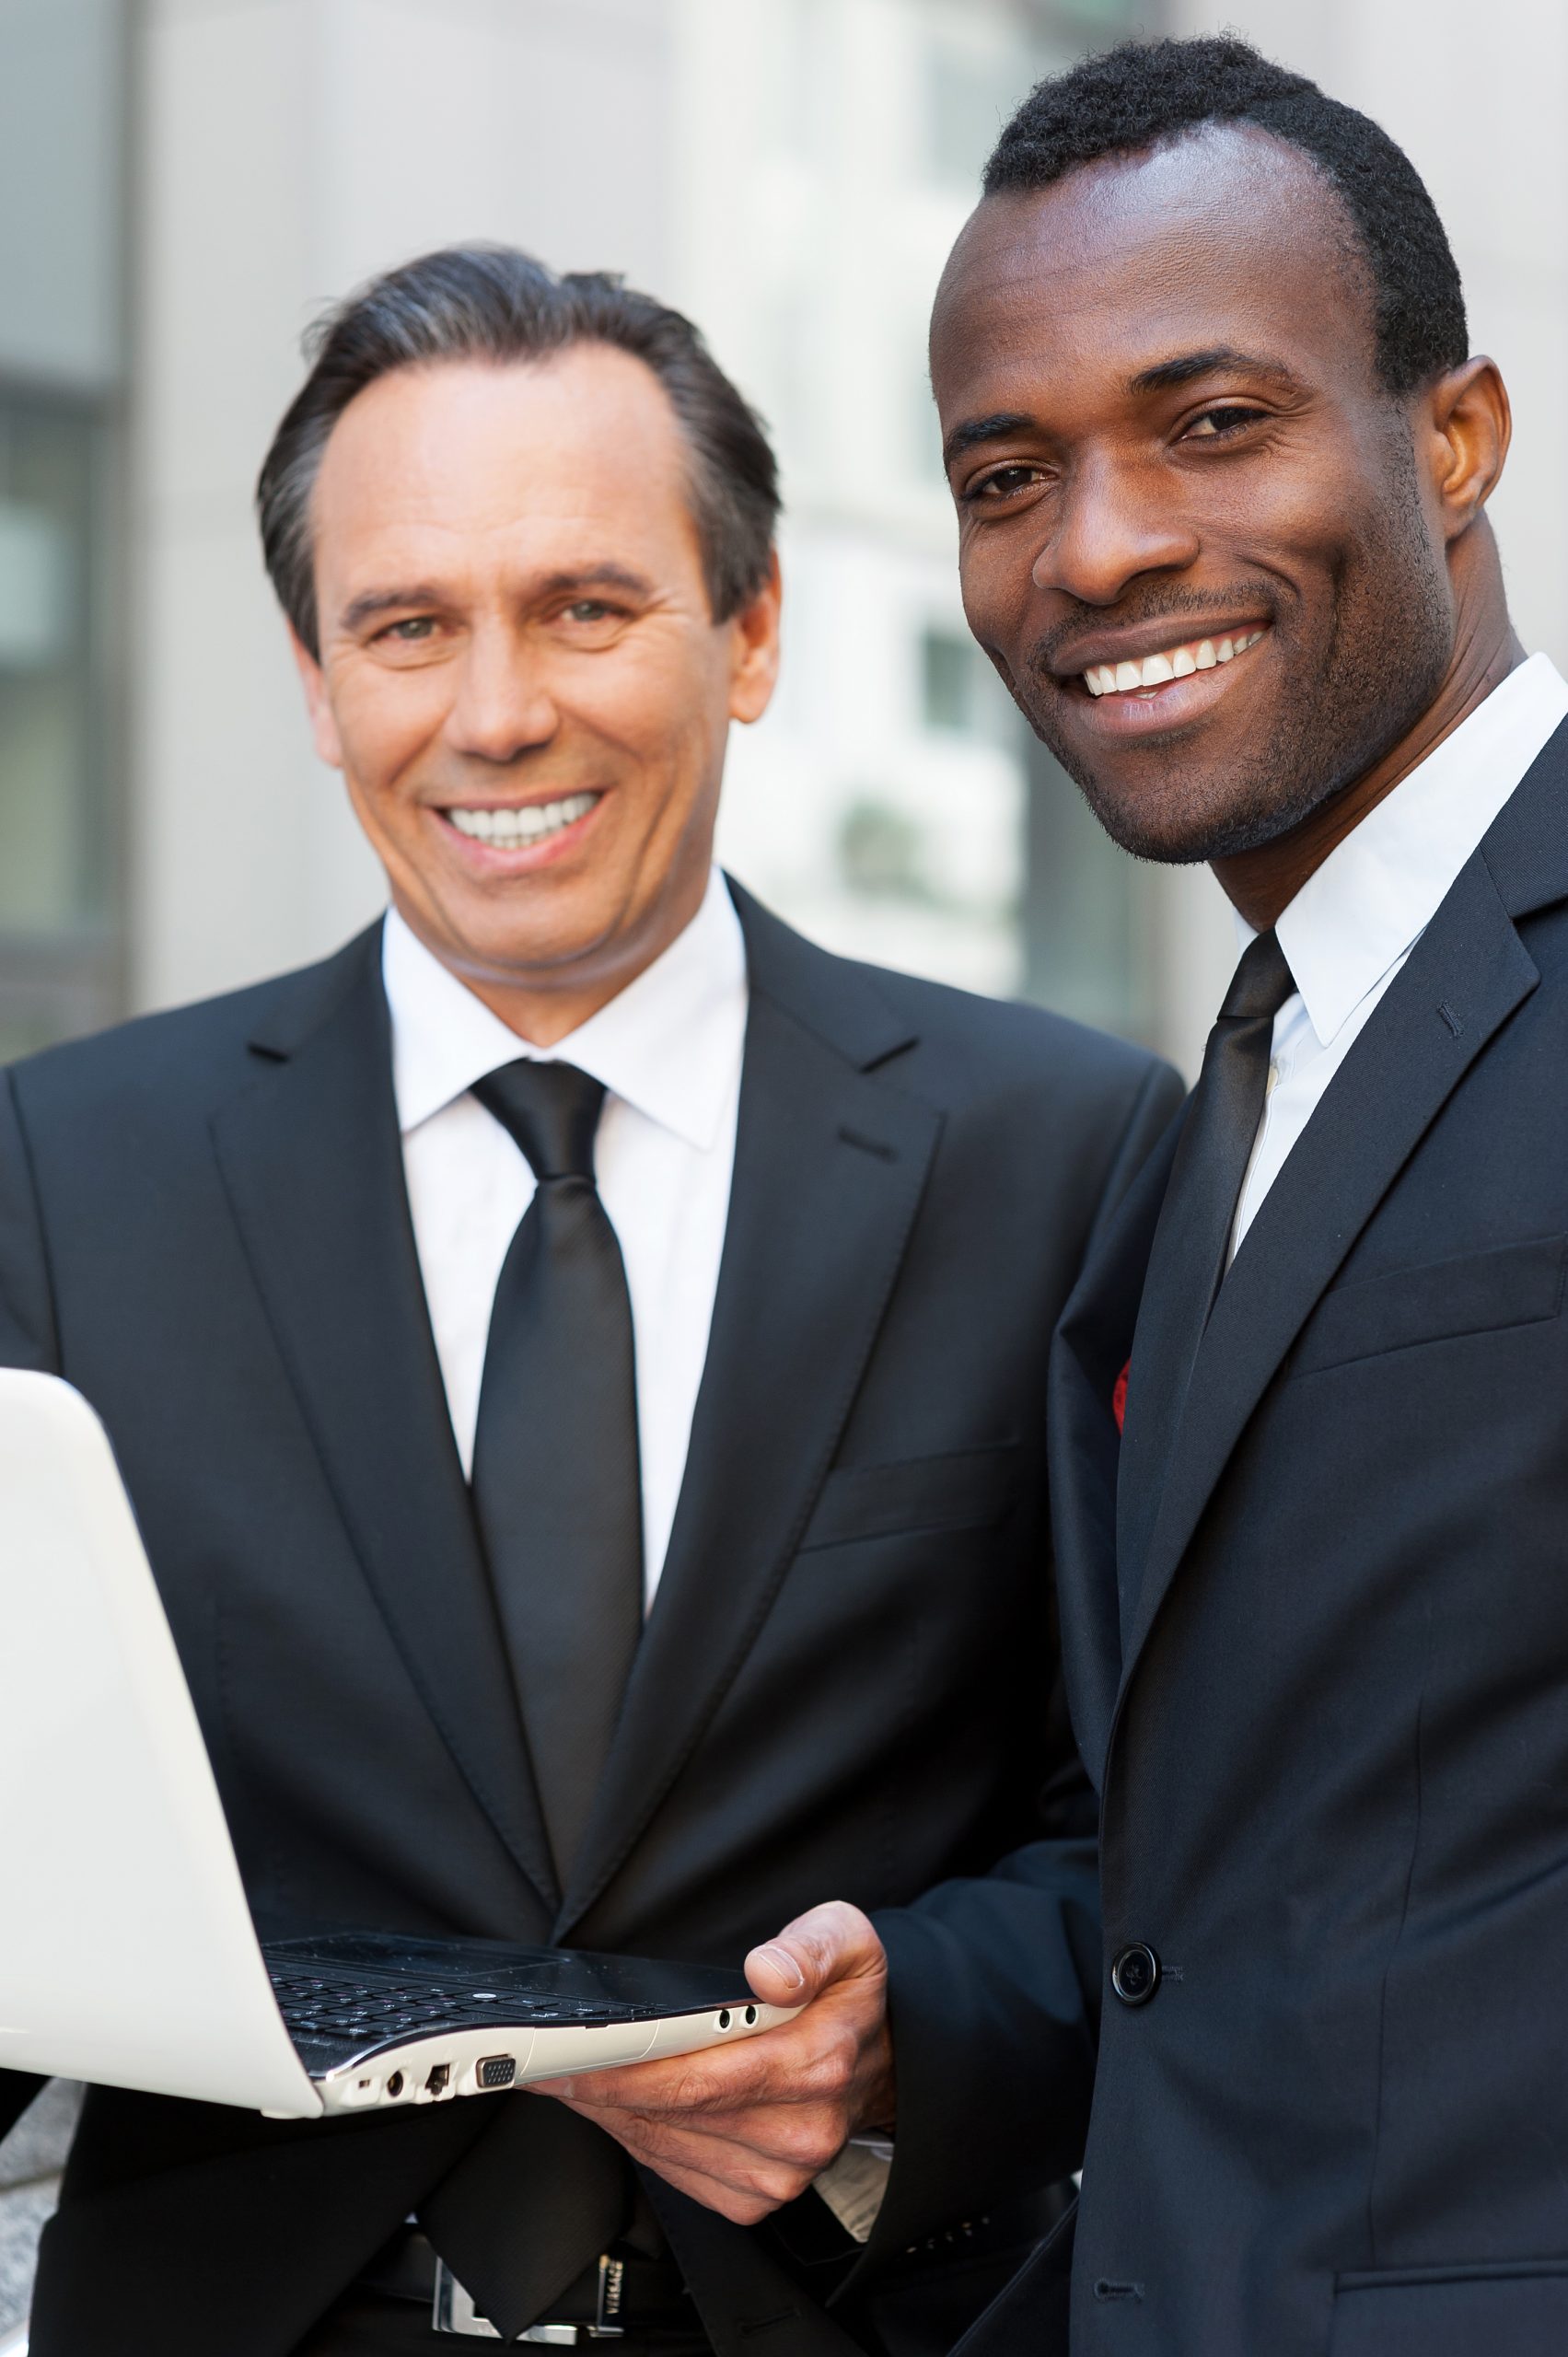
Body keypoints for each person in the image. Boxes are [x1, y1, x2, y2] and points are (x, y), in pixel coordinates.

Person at [0, 247, 1178, 2357]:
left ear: (751, 628)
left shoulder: (1066, 1152)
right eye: (407, 625)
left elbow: (1179, 1829)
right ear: (314, 676)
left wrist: (915, 2028)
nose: (495, 710)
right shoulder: (59, 1171)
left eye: (585, 605)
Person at [922, 31, 1568, 2357]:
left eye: (1212, 422)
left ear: (1455, 438)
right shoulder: (1206, 1115)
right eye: (1010, 473)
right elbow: (1231, 1904)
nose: (1094, 549)